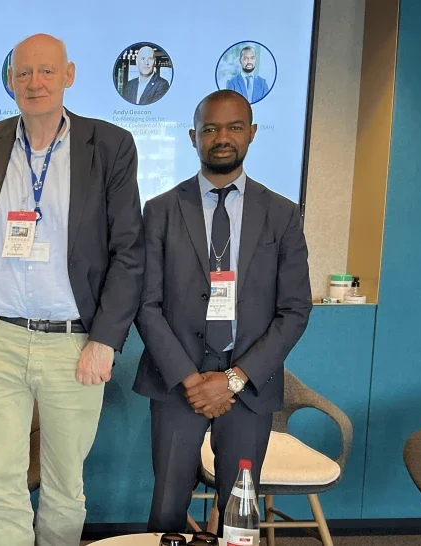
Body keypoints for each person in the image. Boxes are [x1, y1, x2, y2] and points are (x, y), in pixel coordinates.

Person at [0, 33, 144, 545]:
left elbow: (130, 251)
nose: (34, 83)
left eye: (45, 71)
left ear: (69, 75)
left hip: (75, 344)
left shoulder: (109, 146)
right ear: (11, 79)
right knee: (0, 484)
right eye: (23, 73)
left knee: (65, 486)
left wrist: (105, 340)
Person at [133, 89, 311, 534]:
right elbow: (146, 304)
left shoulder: (283, 215)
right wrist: (193, 382)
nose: (222, 137)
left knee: (239, 512)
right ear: (193, 136)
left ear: (251, 134)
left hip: (249, 385)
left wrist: (232, 380)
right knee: (168, 508)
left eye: (234, 127)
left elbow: (294, 310)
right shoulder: (160, 211)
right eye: (210, 128)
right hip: (177, 382)